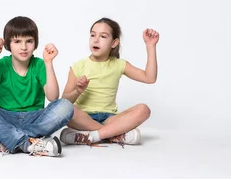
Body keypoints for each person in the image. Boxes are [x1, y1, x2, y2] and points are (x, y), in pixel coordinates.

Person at [0, 16, 73, 157]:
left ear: (35, 43)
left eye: (29, 41)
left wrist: (48, 63)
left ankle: (5, 140)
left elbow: (53, 97)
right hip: (5, 117)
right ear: (8, 44)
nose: (23, 47)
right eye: (17, 42)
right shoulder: (2, 64)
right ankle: (28, 144)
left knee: (66, 106)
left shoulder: (40, 65)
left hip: (35, 118)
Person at [59, 18, 159, 146]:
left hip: (110, 119)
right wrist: (78, 91)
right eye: (93, 35)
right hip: (83, 119)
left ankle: (92, 136)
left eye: (103, 36)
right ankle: (114, 135)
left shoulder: (119, 64)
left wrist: (150, 46)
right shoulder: (78, 66)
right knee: (66, 109)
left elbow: (149, 78)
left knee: (144, 109)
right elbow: (64, 102)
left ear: (114, 43)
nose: (96, 39)